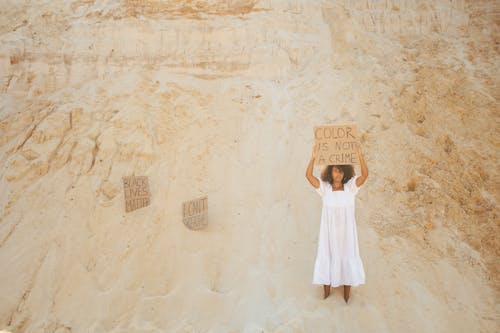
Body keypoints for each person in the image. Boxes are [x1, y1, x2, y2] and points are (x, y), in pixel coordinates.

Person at [305, 142, 368, 303]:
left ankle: (346, 295)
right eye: (335, 170)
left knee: (347, 256)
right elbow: (309, 177)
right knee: (327, 255)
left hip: (347, 234)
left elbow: (365, 175)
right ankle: (326, 294)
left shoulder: (350, 188)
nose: (338, 174)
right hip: (329, 233)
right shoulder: (325, 189)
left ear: (345, 172)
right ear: (330, 172)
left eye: (341, 171)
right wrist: (313, 157)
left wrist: (360, 155)